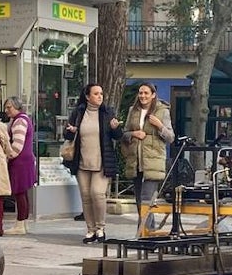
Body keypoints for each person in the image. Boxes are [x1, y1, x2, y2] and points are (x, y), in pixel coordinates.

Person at [63, 84, 123, 243]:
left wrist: (115, 128)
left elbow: (117, 136)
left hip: (101, 162)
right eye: (96, 94)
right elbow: (67, 134)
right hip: (82, 161)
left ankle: (100, 227)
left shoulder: (107, 112)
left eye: (101, 93)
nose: (100, 96)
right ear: (88, 96)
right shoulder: (79, 112)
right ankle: (90, 230)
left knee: (97, 194)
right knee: (86, 196)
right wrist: (71, 130)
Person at [120, 83, 176, 212]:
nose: (143, 96)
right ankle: (146, 230)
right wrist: (134, 134)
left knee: (147, 200)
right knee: (140, 201)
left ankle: (144, 231)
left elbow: (170, 138)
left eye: (146, 93)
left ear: (153, 95)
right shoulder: (132, 111)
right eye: (140, 93)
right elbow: (124, 134)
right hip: (136, 161)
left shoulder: (163, 111)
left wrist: (159, 125)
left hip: (153, 161)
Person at [2, 97, 37, 235]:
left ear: (17, 107)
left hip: (20, 162)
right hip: (25, 160)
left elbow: (17, 145)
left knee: (19, 193)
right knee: (22, 193)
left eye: (9, 107)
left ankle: (20, 224)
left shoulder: (19, 121)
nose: (6, 110)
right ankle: (23, 223)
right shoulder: (23, 119)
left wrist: (8, 156)